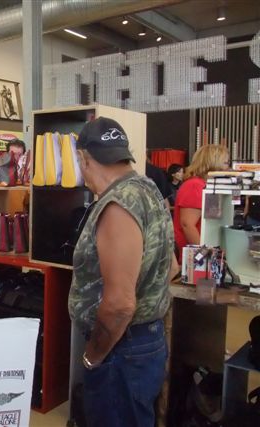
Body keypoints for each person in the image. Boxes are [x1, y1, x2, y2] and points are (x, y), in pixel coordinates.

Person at [68, 117, 178, 427]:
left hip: (121, 349)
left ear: (84, 158)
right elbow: (172, 266)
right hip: (142, 343)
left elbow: (119, 306)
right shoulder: (148, 189)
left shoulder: (117, 205)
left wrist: (93, 356)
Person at [173, 144, 229, 253]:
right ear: (213, 163)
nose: (228, 168)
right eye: (225, 163)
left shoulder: (205, 185)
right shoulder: (194, 185)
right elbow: (187, 224)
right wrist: (205, 253)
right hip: (195, 255)